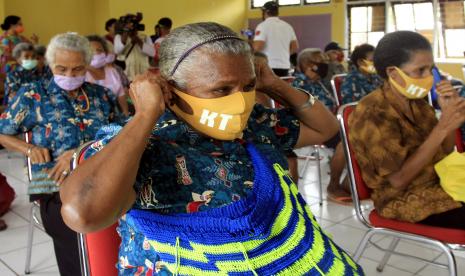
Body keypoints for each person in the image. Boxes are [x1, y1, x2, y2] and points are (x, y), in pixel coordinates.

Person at [60, 22, 363, 275]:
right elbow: (83, 214)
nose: (240, 101)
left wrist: (274, 85)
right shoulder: (145, 140)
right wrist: (145, 115)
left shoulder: (254, 122)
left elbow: (326, 129)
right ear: (171, 88)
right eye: (221, 90)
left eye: (247, 87)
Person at [0, 32, 112, 275]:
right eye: (62, 69)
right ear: (50, 64)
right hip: (54, 184)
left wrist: (79, 152)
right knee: (75, 242)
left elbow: (119, 133)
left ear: (87, 65)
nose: (70, 76)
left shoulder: (101, 96)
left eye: (78, 69)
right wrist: (29, 149)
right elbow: (2, 133)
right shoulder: (32, 95)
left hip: (103, 178)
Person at [349, 31, 465, 228]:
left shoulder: (417, 104)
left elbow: (443, 152)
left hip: (440, 182)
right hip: (403, 200)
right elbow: (398, 180)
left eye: (431, 69)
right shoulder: (373, 113)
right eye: (420, 70)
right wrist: (442, 127)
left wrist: (448, 123)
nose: (429, 77)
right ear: (393, 73)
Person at [293, 48, 352, 203]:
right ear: (307, 65)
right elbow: (300, 112)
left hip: (330, 123)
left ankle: (350, 183)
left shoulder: (320, 83)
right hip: (311, 126)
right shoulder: (298, 84)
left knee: (361, 134)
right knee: (345, 142)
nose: (324, 66)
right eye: (320, 63)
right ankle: (333, 186)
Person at [86, 35, 129, 119]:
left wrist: (126, 115)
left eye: (99, 50)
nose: (96, 53)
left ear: (105, 53)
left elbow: (121, 95)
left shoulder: (112, 71)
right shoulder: (82, 75)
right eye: (90, 51)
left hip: (115, 118)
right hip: (92, 120)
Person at [253, 1, 298, 77]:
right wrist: (283, 54)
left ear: (265, 12)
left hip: (268, 66)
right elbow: (295, 47)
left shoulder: (262, 26)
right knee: (279, 88)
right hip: (284, 66)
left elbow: (257, 47)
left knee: (266, 89)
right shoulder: (287, 26)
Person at [114, 14, 155, 80]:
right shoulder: (119, 37)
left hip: (143, 74)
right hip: (127, 75)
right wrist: (126, 33)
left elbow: (152, 53)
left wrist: (139, 41)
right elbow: (118, 51)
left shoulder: (144, 37)